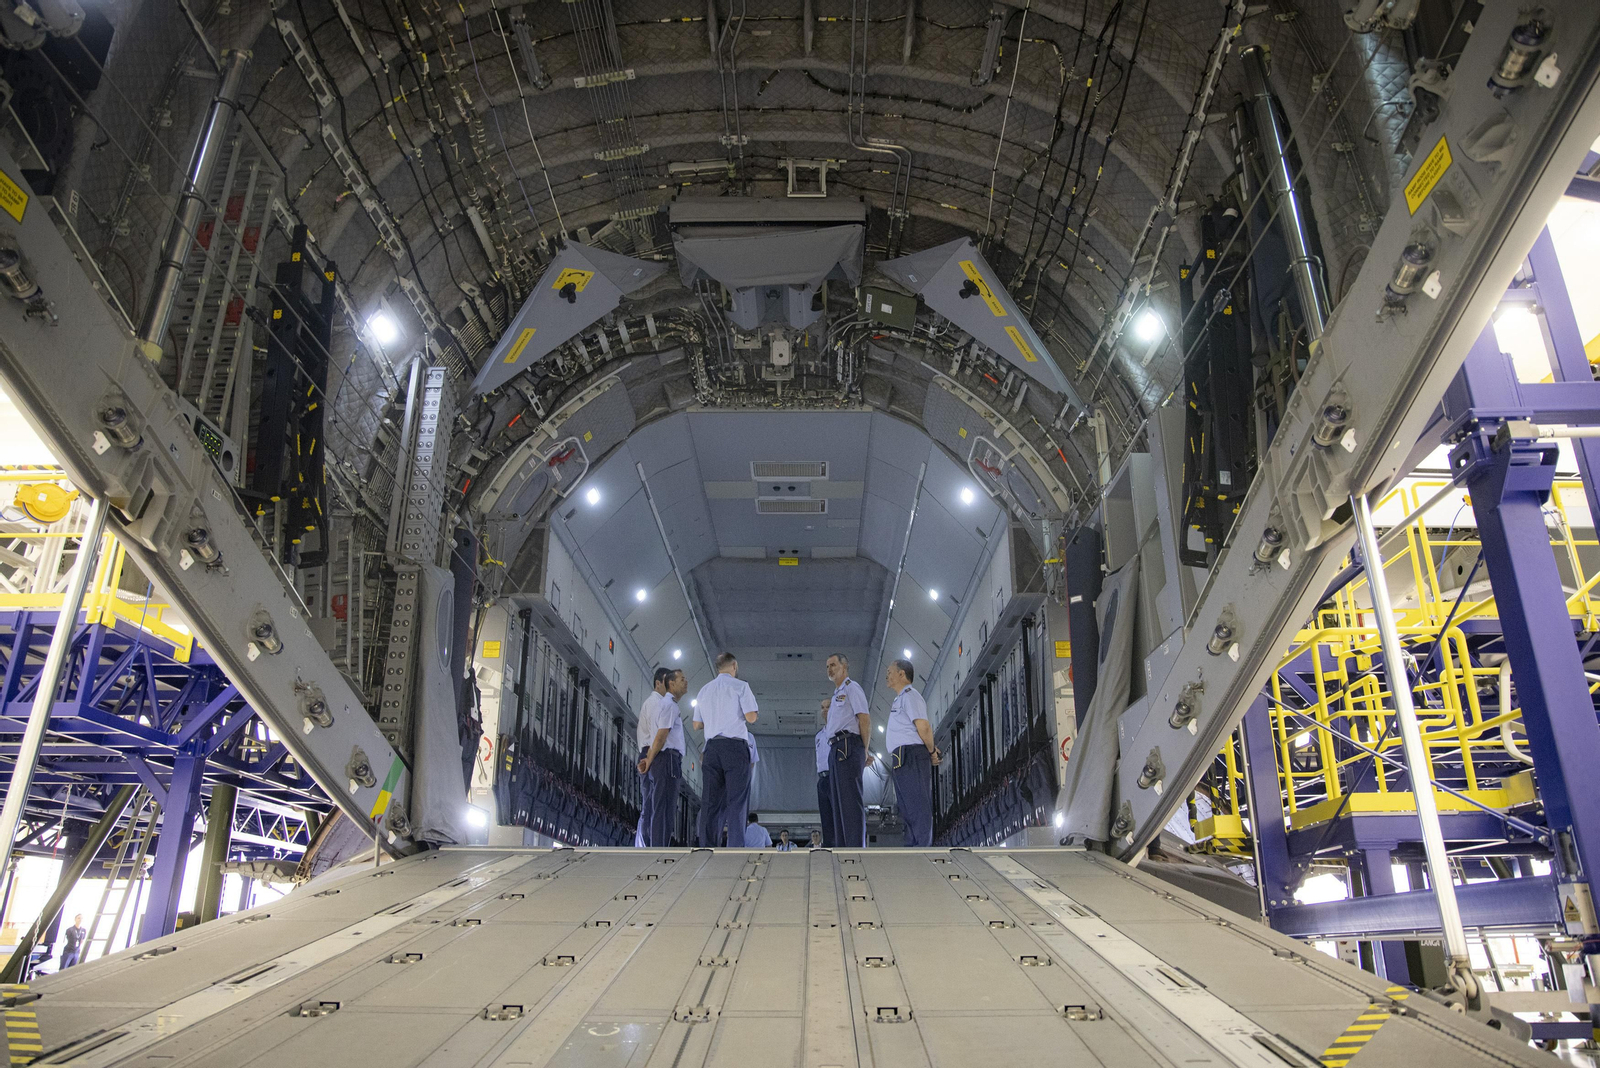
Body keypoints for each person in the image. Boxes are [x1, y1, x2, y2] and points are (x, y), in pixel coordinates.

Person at [692, 652, 758, 847]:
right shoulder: (741, 686)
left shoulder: (704, 690)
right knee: (736, 800)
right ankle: (735, 847)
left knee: (710, 801)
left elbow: (696, 724)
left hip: (712, 748)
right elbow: (751, 717)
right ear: (734, 666)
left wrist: (715, 720)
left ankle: (707, 845)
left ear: (717, 667)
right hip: (735, 748)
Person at [884, 658, 941, 846]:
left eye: (890, 671)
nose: (887, 675)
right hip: (901, 758)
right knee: (907, 808)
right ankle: (913, 848)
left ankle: (923, 849)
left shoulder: (910, 695)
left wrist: (932, 751)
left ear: (902, 674)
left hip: (911, 756)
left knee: (918, 807)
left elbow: (923, 726)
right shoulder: (899, 699)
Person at [823, 653, 873, 847]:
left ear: (844, 667)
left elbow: (864, 719)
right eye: (827, 666)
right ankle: (843, 847)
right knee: (838, 802)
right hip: (835, 748)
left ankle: (855, 848)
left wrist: (864, 750)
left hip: (848, 745)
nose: (830, 669)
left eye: (833, 665)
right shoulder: (836, 696)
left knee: (850, 800)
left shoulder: (852, 688)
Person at [637, 669, 688, 846]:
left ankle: (658, 846)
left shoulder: (663, 704)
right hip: (666, 759)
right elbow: (661, 735)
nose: (686, 682)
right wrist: (649, 759)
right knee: (663, 806)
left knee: (661, 805)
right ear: (670, 684)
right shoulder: (668, 705)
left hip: (661, 757)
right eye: (682, 679)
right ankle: (658, 847)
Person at [634, 669, 670, 847]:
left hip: (647, 752)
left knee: (649, 800)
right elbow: (659, 736)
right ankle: (651, 844)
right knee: (655, 802)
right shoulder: (657, 703)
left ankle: (644, 843)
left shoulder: (651, 703)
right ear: (658, 683)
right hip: (652, 754)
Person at [814, 700, 835, 847]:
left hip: (834, 776)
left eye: (828, 707)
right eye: (822, 707)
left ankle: (840, 846)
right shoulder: (818, 736)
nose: (825, 710)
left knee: (837, 815)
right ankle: (828, 845)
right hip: (822, 778)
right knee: (825, 817)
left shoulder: (839, 730)